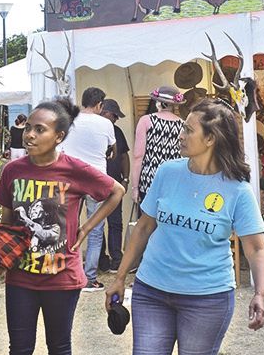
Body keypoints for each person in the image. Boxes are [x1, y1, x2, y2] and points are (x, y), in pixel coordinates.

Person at [106, 99, 264, 355]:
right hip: (152, 292)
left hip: (207, 299)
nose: (181, 135)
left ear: (210, 138)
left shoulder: (236, 191)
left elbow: (256, 247)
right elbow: (143, 226)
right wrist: (120, 275)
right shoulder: (167, 172)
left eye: (188, 130)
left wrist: (261, 293)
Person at [0, 100, 123, 355]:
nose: (30, 135)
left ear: (59, 136)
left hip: (62, 277)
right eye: (29, 128)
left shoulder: (74, 169)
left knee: (58, 346)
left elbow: (115, 192)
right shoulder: (13, 171)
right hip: (20, 276)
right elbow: (6, 219)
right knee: (20, 349)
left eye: (39, 129)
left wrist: (85, 228)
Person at [60, 87, 117, 291]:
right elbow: (112, 150)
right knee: (95, 230)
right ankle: (90, 278)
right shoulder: (105, 123)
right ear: (100, 104)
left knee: (67, 226)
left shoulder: (69, 120)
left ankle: (66, 270)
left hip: (71, 178)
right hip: (96, 180)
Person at [131, 85, 187, 206]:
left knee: (147, 223)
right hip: (174, 182)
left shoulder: (146, 121)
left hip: (149, 181)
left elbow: (138, 157)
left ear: (158, 103)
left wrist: (135, 188)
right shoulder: (183, 124)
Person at [100, 98, 132, 271]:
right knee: (97, 224)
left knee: (115, 222)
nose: (116, 119)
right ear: (103, 112)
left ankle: (116, 258)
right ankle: (101, 259)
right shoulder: (93, 131)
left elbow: (124, 156)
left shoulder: (117, 131)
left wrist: (125, 179)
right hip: (96, 183)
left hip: (114, 182)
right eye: (114, 115)